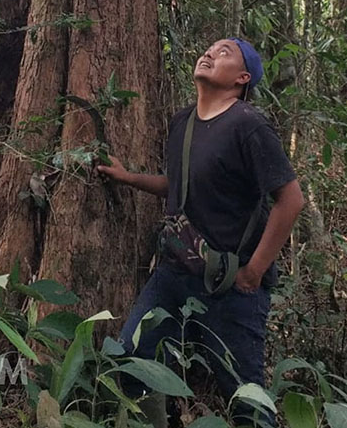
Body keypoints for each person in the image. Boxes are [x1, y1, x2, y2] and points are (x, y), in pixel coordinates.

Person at [97, 38, 304, 428]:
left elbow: (290, 200)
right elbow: (178, 185)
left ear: (243, 78)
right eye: (209, 49)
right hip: (173, 275)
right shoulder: (183, 121)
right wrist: (127, 178)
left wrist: (254, 271)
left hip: (230, 286)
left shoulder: (249, 125)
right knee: (130, 358)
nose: (210, 53)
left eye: (225, 52)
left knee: (247, 402)